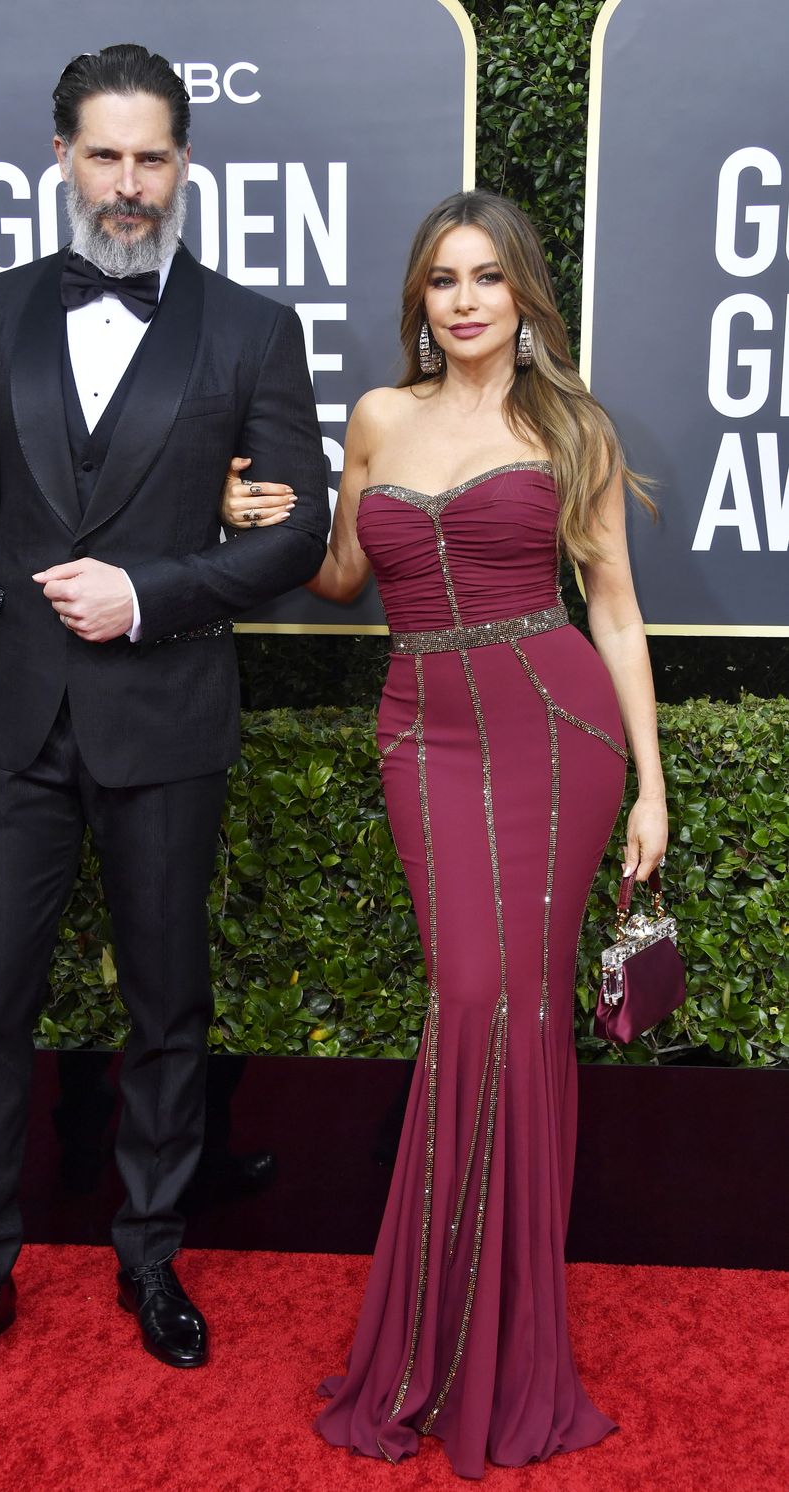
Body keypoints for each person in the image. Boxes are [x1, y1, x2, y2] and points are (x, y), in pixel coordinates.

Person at [0, 43, 328, 1397]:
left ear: (184, 163)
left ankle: (150, 1254)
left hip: (166, 712)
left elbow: (299, 530)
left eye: (152, 157)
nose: (129, 183)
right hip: (12, 721)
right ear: (62, 159)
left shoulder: (251, 327)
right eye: (105, 156)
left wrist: (148, 592)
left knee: (167, 1004)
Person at [221, 189, 667, 1478]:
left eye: (486, 277)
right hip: (423, 733)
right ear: (419, 299)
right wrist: (261, 522)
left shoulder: (570, 427)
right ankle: (447, 1326)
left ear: (524, 294)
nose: (465, 300)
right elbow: (343, 576)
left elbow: (615, 610)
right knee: (471, 998)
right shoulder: (378, 417)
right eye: (441, 280)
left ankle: (504, 1341)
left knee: (508, 1008)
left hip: (555, 728)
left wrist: (652, 786)